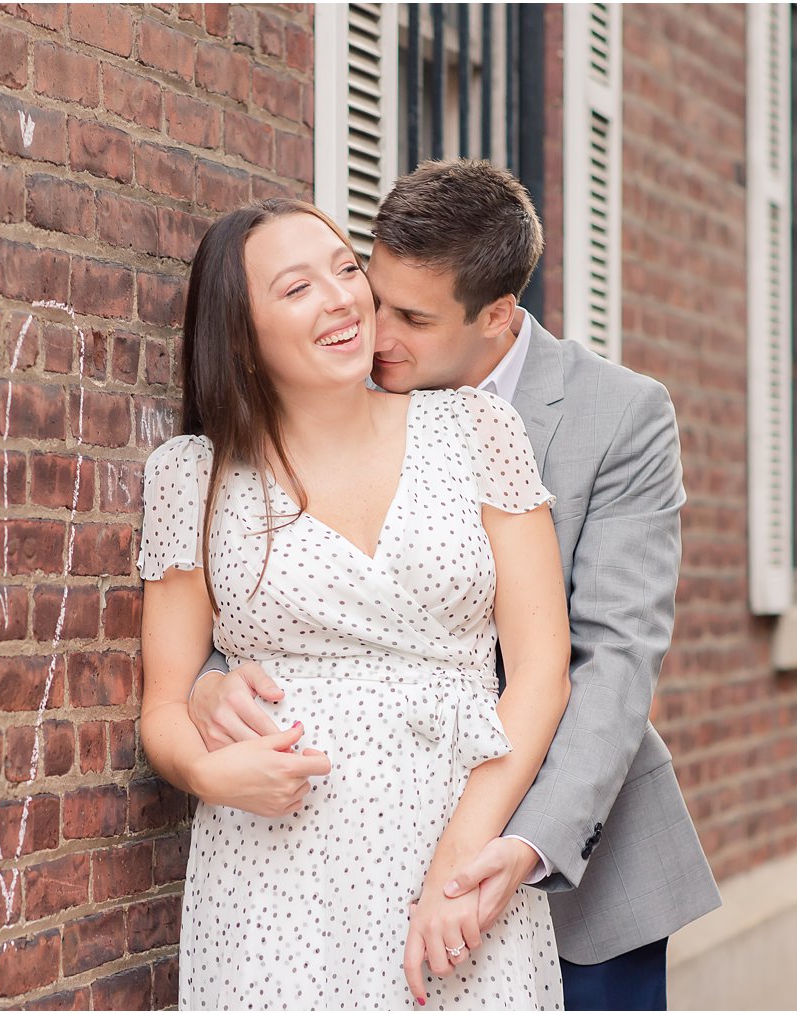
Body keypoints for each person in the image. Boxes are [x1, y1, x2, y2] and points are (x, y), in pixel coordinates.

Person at [188, 160, 721, 1011]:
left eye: (412, 317)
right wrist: (210, 683)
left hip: (567, 854)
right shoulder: (339, 378)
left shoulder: (619, 416)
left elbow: (615, 659)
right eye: (373, 288)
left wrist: (524, 845)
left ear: (497, 318)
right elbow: (290, 583)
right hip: (366, 865)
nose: (374, 328)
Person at [138, 196, 572, 1010]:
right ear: (241, 331)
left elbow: (542, 675)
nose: (342, 297)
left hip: (458, 835)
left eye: (347, 270)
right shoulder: (190, 477)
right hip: (277, 867)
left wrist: (460, 860)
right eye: (297, 288)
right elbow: (162, 705)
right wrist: (209, 770)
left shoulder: (477, 429)